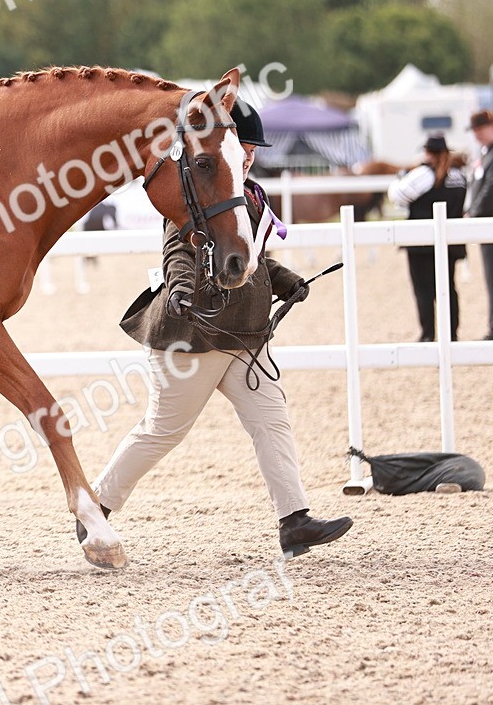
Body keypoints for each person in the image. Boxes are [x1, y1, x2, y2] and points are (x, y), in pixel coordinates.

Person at [86, 99, 353, 559]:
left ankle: (295, 522)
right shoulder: (197, 195)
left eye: (251, 147)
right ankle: (94, 508)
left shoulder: (248, 194)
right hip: (196, 337)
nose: (249, 153)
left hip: (245, 336)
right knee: (161, 433)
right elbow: (178, 251)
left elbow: (249, 255)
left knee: (272, 423)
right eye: (243, 144)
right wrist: (180, 288)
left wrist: (285, 280)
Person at [388, 134, 468, 342]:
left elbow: (396, 196)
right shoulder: (459, 175)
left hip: (421, 243)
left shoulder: (423, 174)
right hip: (451, 241)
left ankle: (428, 333)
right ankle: (451, 333)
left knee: (424, 290)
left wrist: (402, 176)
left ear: (428, 152)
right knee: (448, 288)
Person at [464, 109, 493, 340]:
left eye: (480, 130)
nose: (477, 135)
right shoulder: (484, 154)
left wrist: (473, 213)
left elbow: (489, 189)